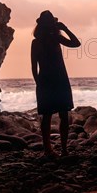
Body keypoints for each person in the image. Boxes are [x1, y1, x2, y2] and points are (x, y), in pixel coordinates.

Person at [31, 11, 81, 156]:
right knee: (63, 114)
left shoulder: (39, 42)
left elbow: (34, 67)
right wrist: (65, 28)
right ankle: (63, 149)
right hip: (59, 79)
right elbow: (76, 43)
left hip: (46, 80)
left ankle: (49, 149)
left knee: (47, 116)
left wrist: (38, 83)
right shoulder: (55, 38)